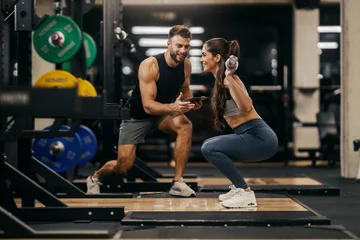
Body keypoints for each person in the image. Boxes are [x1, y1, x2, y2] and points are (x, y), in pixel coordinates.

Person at [87, 25, 203, 197]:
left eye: (186, 46)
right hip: (138, 116)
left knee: (185, 126)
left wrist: (191, 102)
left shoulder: (185, 65)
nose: (183, 50)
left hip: (162, 113)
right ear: (169, 43)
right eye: (179, 46)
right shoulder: (150, 65)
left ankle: (177, 182)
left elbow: (185, 89)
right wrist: (173, 108)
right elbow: (148, 105)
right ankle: (95, 177)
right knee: (124, 165)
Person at [200, 38, 278, 208]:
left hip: (260, 138)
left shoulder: (231, 80)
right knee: (208, 145)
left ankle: (245, 192)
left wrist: (229, 78)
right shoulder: (220, 82)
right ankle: (238, 188)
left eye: (204, 54)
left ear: (217, 58)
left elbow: (247, 106)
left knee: (209, 148)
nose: (201, 59)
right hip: (248, 136)